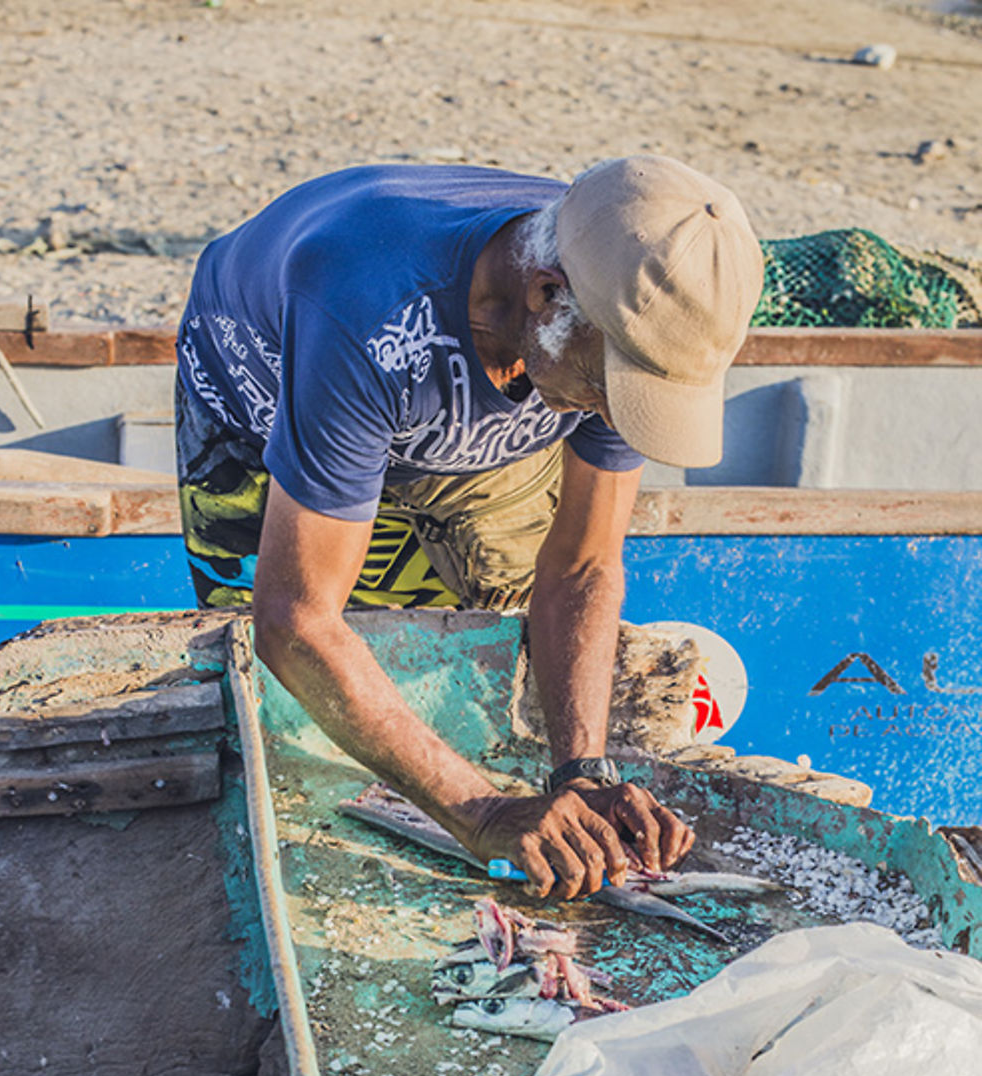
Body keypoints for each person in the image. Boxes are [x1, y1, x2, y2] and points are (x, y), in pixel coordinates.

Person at [175, 155, 765, 898]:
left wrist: (581, 771)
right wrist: (483, 811)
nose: (616, 418)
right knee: (278, 714)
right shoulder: (370, 313)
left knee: (485, 685)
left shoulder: (620, 298)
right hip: (269, 404)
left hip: (467, 397)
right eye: (609, 390)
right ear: (547, 295)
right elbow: (294, 619)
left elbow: (583, 565)